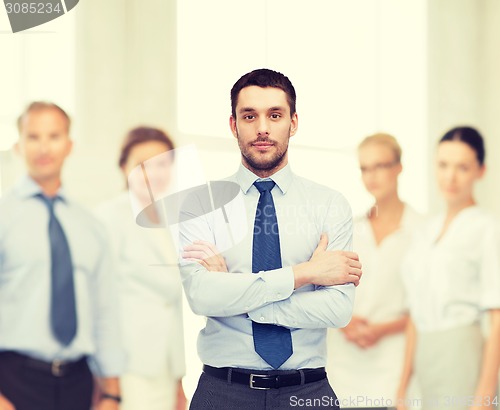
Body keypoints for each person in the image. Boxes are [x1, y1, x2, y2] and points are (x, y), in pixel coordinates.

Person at [178, 68, 362, 409]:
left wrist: (237, 295)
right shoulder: (201, 205)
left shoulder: (330, 205)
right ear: (234, 125)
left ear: (293, 122)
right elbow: (202, 297)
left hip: (308, 392)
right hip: (223, 392)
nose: (262, 127)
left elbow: (338, 308)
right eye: (249, 116)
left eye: (274, 115)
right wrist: (305, 274)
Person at [0, 102, 123, 410]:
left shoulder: (90, 226)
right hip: (13, 381)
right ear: (18, 145)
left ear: (69, 145)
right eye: (33, 136)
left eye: (53, 136)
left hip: (78, 383)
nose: (44, 146)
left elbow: (104, 309)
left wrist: (112, 392)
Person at [397, 126, 500, 410]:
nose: (450, 177)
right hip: (425, 359)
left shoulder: (486, 228)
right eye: (443, 165)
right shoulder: (424, 232)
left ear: (481, 171)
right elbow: (415, 315)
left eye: (462, 167)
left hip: (463, 354)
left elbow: (497, 317)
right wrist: (402, 388)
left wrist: (485, 396)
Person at [96, 126, 187, 410]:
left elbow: (171, 303)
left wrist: (178, 379)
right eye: (142, 165)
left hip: (164, 365)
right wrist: (108, 382)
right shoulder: (107, 218)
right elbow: (99, 302)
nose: (153, 173)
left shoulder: (172, 223)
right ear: (124, 167)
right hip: (126, 367)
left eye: (162, 163)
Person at [327, 133, 421, 407]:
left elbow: (426, 307)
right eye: (365, 168)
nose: (372, 176)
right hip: (343, 369)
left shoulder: (423, 230)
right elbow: (324, 290)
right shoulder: (347, 229)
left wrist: (383, 329)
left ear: (399, 167)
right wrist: (345, 322)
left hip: (393, 369)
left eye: (380, 166)